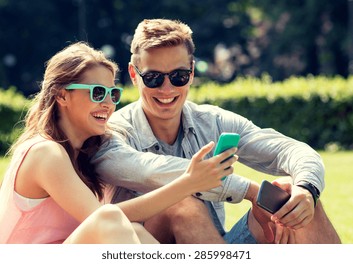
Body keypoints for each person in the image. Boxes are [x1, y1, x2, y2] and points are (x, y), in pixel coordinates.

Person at [92, 18, 341, 244]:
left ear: (191, 73)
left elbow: (291, 150)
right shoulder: (113, 131)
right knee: (181, 201)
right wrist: (250, 191)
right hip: (147, 250)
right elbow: (150, 170)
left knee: (290, 195)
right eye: (154, 78)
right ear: (134, 75)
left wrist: (307, 189)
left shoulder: (212, 121)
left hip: (214, 246)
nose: (166, 89)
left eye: (178, 76)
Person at [0, 41, 238, 244]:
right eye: (96, 93)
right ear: (62, 95)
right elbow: (103, 220)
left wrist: (187, 186)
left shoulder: (87, 153)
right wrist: (188, 183)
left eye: (112, 94)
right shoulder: (45, 153)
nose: (107, 103)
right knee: (110, 220)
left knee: (135, 229)